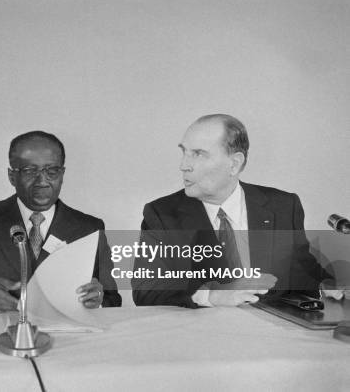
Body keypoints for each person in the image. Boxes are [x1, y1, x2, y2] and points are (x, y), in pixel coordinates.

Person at [132, 114, 339, 308]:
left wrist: (327, 287)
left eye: (198, 154)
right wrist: (212, 296)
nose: (183, 165)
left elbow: (301, 272)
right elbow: (146, 289)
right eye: (184, 152)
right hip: (204, 338)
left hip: (274, 335)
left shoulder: (283, 206)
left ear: (234, 164)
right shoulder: (162, 214)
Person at [0, 131, 121, 314]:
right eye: (30, 171)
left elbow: (113, 299)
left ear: (62, 174)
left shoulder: (89, 228)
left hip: (69, 337)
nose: (42, 181)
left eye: (52, 171)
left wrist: (98, 299)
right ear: (12, 176)